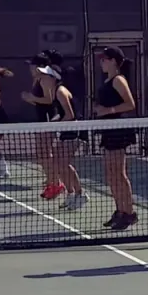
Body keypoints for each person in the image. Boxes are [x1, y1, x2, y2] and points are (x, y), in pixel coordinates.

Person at [95, 46, 138, 230]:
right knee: (110, 173)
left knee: (119, 173)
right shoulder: (107, 80)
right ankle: (120, 210)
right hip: (108, 129)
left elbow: (130, 104)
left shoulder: (119, 80)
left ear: (113, 61)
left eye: (104, 59)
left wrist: (108, 110)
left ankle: (129, 213)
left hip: (118, 129)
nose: (101, 62)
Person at [46, 53, 89, 211]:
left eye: (46, 75)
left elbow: (70, 115)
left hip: (75, 129)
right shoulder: (55, 91)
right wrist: (54, 121)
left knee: (64, 162)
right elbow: (62, 113)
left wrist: (56, 125)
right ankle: (71, 194)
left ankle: (80, 194)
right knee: (58, 162)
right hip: (67, 129)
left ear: (53, 77)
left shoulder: (60, 91)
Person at [21, 54, 63, 198]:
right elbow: (39, 102)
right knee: (41, 153)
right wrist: (29, 99)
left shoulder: (46, 79)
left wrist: (32, 97)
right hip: (40, 118)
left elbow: (49, 100)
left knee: (45, 152)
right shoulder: (37, 79)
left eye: (32, 65)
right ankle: (51, 182)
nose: (30, 68)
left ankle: (55, 184)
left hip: (48, 119)